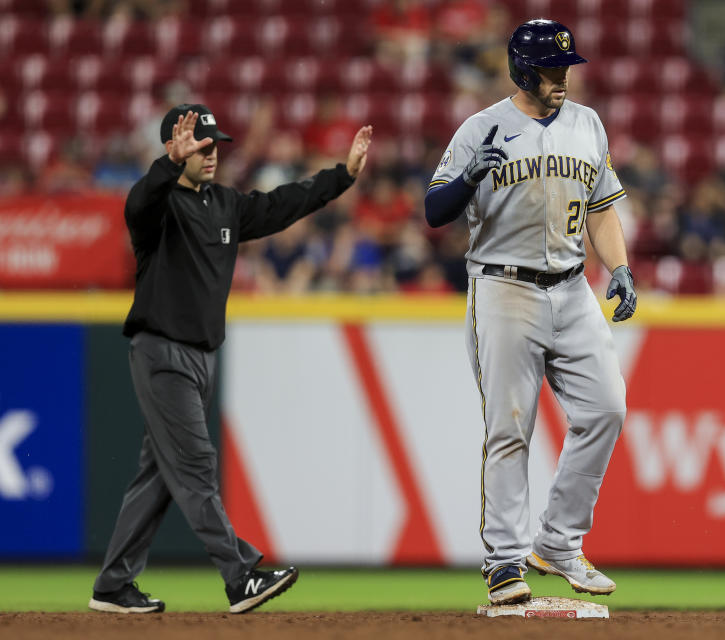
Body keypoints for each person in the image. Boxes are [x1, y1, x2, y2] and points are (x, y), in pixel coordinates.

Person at [87, 104, 372, 614]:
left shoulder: (224, 204)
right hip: (161, 351)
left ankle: (112, 585)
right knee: (196, 466)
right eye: (202, 145)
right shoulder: (160, 206)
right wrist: (165, 166)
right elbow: (137, 206)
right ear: (177, 150)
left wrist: (342, 176)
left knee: (159, 477)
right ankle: (239, 575)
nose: (213, 152)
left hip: (200, 359)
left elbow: (284, 203)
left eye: (216, 144)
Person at [424, 19, 636, 605]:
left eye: (565, 66)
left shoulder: (587, 123)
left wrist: (617, 266)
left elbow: (601, 208)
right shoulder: (480, 127)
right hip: (503, 287)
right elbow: (434, 209)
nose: (561, 76)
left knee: (608, 409)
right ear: (522, 69)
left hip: (572, 287)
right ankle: (503, 563)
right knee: (510, 427)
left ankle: (560, 543)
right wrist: (467, 179)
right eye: (550, 69)